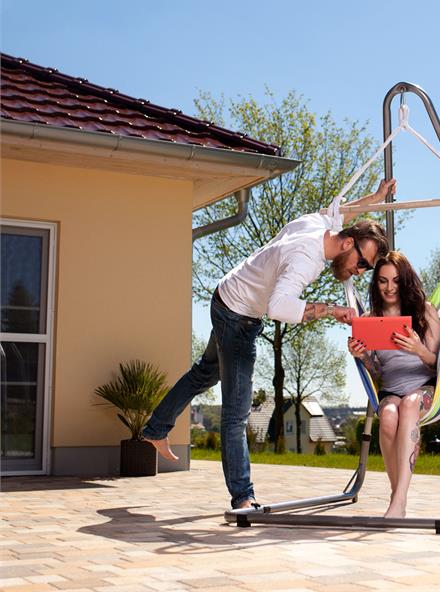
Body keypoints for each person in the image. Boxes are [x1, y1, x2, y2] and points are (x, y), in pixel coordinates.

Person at [143, 179, 395, 510]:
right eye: (362, 264)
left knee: (204, 373)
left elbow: (343, 212)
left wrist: (376, 199)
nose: (360, 272)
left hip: (227, 294)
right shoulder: (306, 260)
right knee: (236, 412)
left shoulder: (319, 225)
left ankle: (156, 428)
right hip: (238, 316)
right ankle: (243, 498)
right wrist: (331, 310)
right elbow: (278, 307)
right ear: (348, 244)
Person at [347, 250, 440, 518]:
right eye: (382, 281)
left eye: (396, 280)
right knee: (388, 416)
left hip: (423, 387)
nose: (390, 287)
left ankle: (398, 499)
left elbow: (437, 365)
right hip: (390, 390)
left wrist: (417, 349)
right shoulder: (370, 319)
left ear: (406, 281)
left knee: (410, 405)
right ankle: (397, 497)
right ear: (375, 283)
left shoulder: (425, 312)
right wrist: (363, 355)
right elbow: (377, 371)